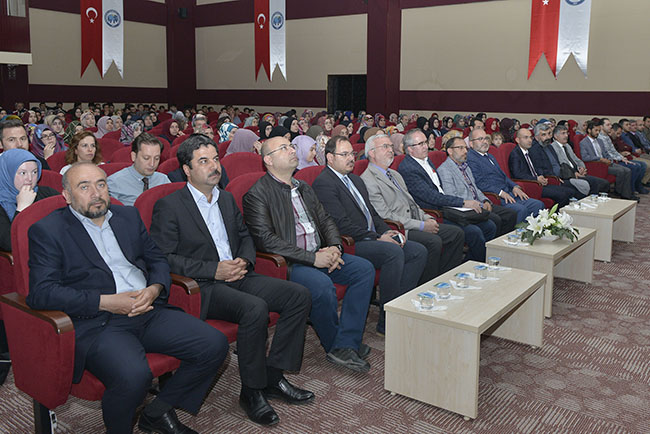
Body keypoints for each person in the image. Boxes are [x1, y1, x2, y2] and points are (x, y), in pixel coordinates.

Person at [25, 162, 229, 434]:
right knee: (134, 375)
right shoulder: (48, 230)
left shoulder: (127, 216)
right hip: (99, 321)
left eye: (101, 184)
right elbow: (42, 293)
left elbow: (157, 259)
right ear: (67, 196)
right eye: (84, 187)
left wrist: (154, 288)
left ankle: (156, 412)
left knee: (214, 344)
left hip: (147, 308)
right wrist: (106, 301)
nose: (96, 193)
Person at [150, 134, 313, 426]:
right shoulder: (170, 205)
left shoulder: (225, 198)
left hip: (238, 274)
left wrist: (245, 261)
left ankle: (273, 376)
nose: (214, 166)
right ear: (187, 169)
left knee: (298, 295)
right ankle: (252, 391)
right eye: (203, 161)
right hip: (202, 286)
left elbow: (244, 236)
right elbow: (164, 258)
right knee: (254, 309)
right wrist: (213, 270)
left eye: (215, 159)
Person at [243, 137, 375, 373]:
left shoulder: (303, 186)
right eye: (284, 148)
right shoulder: (257, 194)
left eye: (291, 146)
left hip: (320, 252)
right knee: (321, 285)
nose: (292, 150)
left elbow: (326, 220)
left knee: (363, 270)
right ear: (268, 160)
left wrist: (335, 246)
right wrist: (312, 259)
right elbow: (266, 240)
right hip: (292, 263)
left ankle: (347, 342)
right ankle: (337, 345)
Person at [312, 136, 426, 335]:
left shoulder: (355, 179)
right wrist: (377, 237)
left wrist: (386, 231)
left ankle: (400, 307)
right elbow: (341, 225)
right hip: (350, 242)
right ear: (330, 158)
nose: (351, 158)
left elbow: (372, 214)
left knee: (418, 251)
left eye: (351, 154)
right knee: (392, 252)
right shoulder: (324, 183)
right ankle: (386, 320)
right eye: (344, 154)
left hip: (370, 236)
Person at [360, 134, 465, 282]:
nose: (390, 150)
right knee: (433, 241)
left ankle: (445, 277)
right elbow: (385, 215)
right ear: (371, 153)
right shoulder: (368, 180)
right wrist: (422, 225)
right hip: (400, 228)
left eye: (391, 146)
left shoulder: (395, 174)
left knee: (456, 234)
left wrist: (427, 218)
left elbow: (412, 203)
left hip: (414, 220)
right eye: (385, 147)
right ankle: (426, 284)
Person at [398, 130, 496, 261]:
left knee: (489, 226)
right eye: (421, 144)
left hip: (446, 206)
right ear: (410, 149)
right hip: (434, 211)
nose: (426, 146)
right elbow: (431, 197)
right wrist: (463, 202)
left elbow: (439, 189)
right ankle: (469, 265)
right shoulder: (408, 168)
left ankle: (472, 261)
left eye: (425, 142)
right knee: (473, 232)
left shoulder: (426, 160)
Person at [437, 137, 517, 237]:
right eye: (460, 148)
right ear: (450, 151)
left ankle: (502, 243)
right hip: (466, 207)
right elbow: (451, 196)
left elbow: (475, 188)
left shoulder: (465, 167)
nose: (465, 151)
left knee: (510, 214)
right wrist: (472, 204)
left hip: (479, 203)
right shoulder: (444, 170)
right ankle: (492, 245)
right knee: (494, 220)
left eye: (466, 148)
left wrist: (485, 200)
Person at [466, 128, 544, 223]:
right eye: (480, 139)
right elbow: (479, 183)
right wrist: (500, 193)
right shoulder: (471, 159)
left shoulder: (490, 156)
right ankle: (518, 232)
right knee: (521, 210)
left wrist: (514, 186)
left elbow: (503, 176)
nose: (485, 142)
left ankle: (532, 230)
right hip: (496, 197)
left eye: (486, 138)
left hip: (509, 192)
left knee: (538, 205)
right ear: (471, 143)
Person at [0, 149, 58, 251]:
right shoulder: (2, 204)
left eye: (34, 172)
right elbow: (10, 244)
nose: (30, 179)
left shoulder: (47, 193)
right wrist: (22, 209)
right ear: (7, 173)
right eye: (23, 173)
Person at [509, 127, 576, 207]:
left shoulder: (530, 151)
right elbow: (517, 175)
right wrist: (536, 179)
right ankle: (554, 214)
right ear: (518, 140)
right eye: (526, 137)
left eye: (530, 137)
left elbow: (536, 168)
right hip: (530, 185)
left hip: (539, 183)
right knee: (562, 195)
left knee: (569, 191)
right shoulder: (515, 154)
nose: (530, 140)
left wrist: (541, 177)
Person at [580, 120, 637, 201]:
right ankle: (624, 194)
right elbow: (585, 157)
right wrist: (600, 159)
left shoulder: (600, 141)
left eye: (599, 131)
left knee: (627, 170)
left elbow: (606, 153)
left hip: (606, 162)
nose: (598, 133)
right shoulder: (584, 142)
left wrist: (609, 159)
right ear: (589, 130)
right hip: (597, 164)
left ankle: (623, 192)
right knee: (620, 171)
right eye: (596, 130)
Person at [107, 133, 170, 206]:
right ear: (133, 156)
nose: (152, 164)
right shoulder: (115, 182)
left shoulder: (163, 180)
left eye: (156, 158)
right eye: (146, 158)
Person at [549, 125, 610, 195]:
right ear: (556, 136)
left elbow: (577, 159)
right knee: (593, 182)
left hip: (578, 171)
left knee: (605, 183)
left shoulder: (567, 146)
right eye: (563, 133)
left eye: (567, 133)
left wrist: (582, 168)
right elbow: (562, 164)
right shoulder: (553, 147)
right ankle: (592, 199)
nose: (566, 135)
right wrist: (575, 172)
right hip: (568, 175)